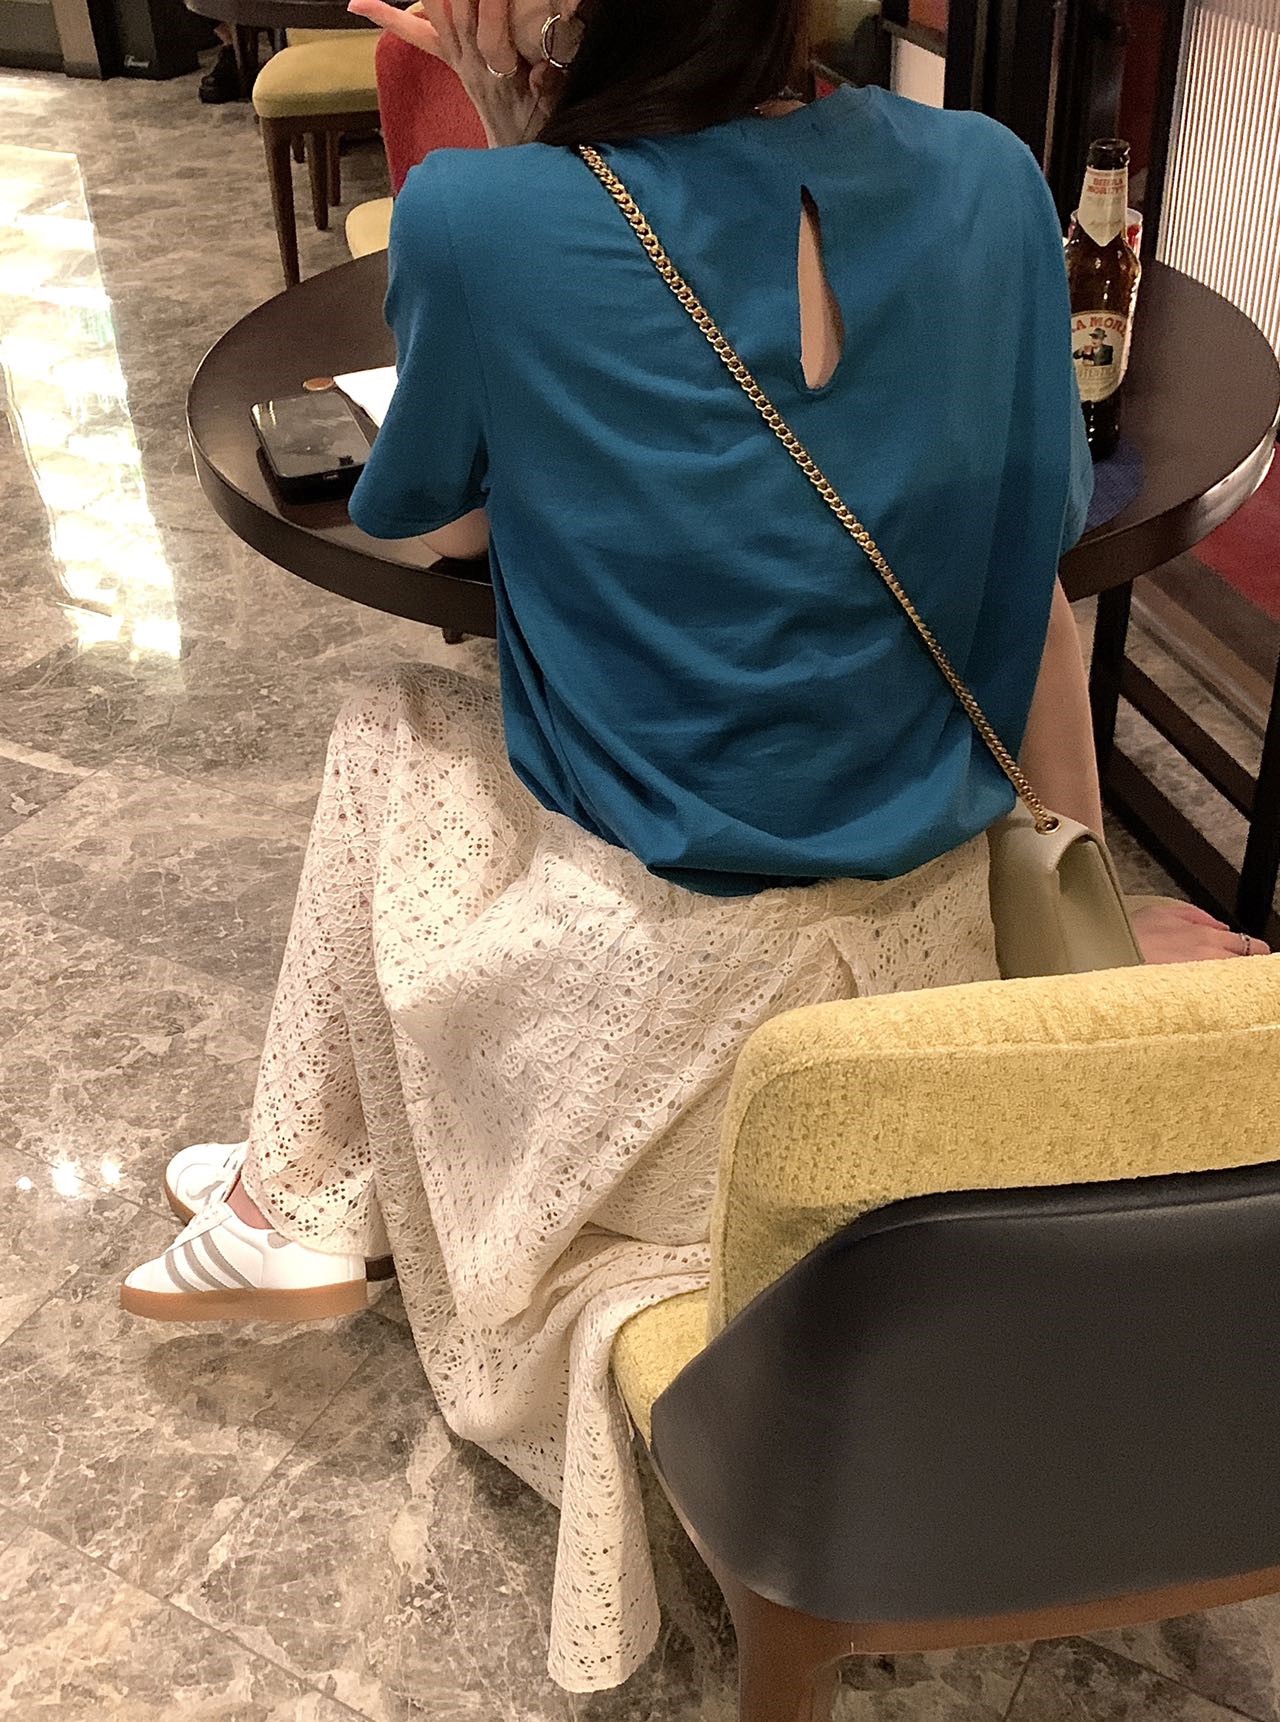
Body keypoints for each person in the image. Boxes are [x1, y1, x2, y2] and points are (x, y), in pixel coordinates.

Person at [120, 0, 1265, 1690]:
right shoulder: (991, 179)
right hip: (922, 986)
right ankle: (306, 1184)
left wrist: (523, 144)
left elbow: (431, 522)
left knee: (392, 727)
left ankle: (295, 1198)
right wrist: (1078, 922)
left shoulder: (481, 216)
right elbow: (1033, 586)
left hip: (659, 1041)